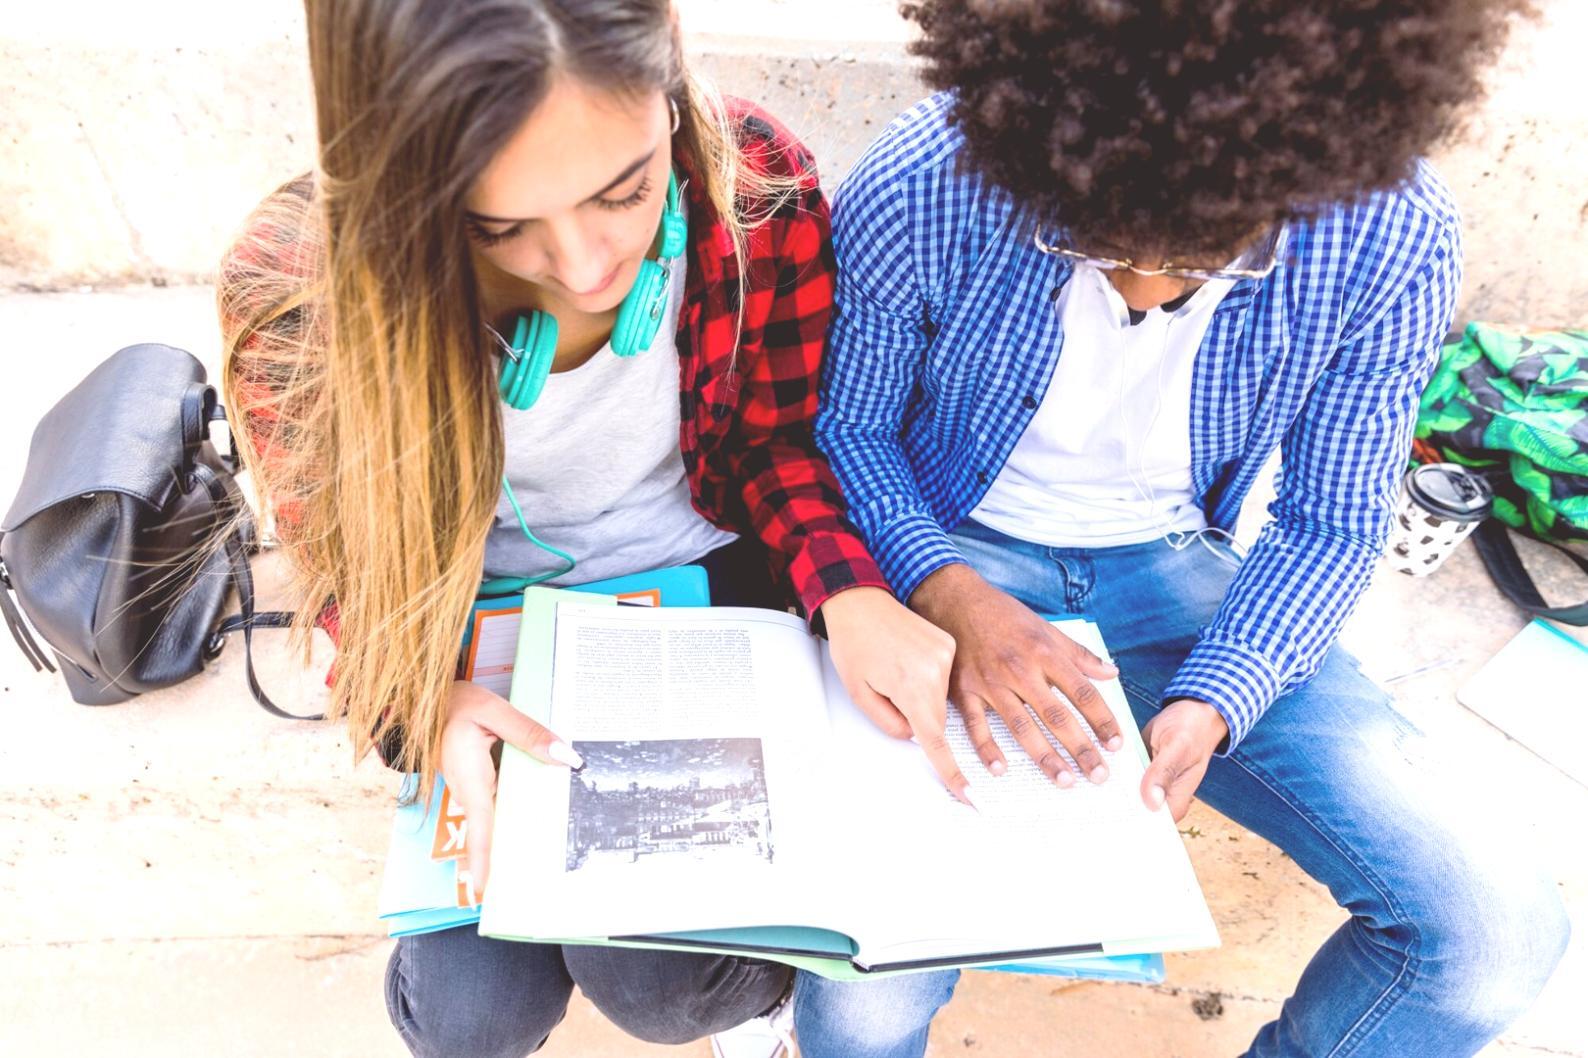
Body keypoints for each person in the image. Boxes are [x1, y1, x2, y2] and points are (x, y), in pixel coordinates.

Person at [814, 2, 1570, 1056]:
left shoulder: (1387, 228)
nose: (1147, 283)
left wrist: (1220, 693)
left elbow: (1330, 519)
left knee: (1492, 936)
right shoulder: (927, 176)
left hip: (1180, 576)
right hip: (943, 555)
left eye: (1206, 255)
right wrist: (946, 589)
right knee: (862, 992)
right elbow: (849, 429)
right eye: (1102, 239)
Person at [217, 2, 965, 1055]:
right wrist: (419, 700)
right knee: (473, 1016)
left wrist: (851, 588)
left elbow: (773, 448)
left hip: (702, 583)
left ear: (670, 81)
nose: (579, 267)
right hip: (470, 627)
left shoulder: (752, 185)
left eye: (624, 192)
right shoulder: (299, 292)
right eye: (497, 226)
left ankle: (753, 1005)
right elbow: (343, 568)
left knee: (665, 988)